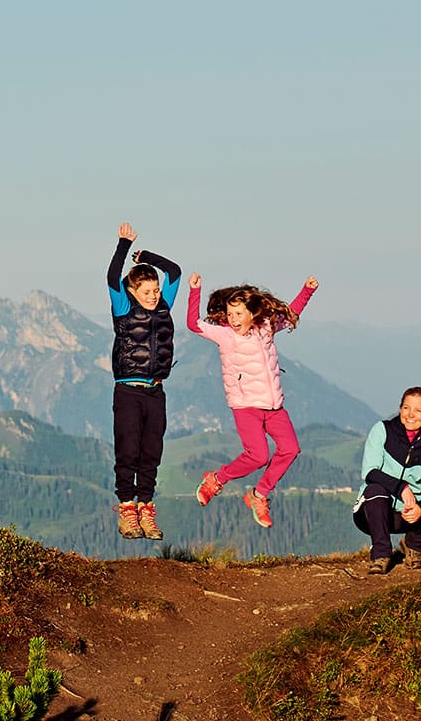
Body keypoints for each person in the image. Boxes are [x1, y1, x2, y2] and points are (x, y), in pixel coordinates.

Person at [187, 272, 318, 528]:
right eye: (230, 313)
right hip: (246, 406)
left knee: (291, 449)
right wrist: (195, 289)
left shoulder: (266, 328)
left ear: (251, 313)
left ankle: (258, 495)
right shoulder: (225, 335)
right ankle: (216, 479)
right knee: (258, 456)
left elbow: (290, 314)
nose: (234, 319)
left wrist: (307, 291)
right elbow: (194, 324)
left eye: (239, 313)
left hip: (274, 406)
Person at [108, 222, 181, 540]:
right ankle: (127, 509)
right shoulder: (123, 308)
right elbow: (112, 277)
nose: (153, 296)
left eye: (155, 290)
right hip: (127, 392)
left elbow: (175, 272)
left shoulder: (164, 305)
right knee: (128, 451)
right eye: (147, 292)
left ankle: (146, 508)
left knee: (152, 451)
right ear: (133, 292)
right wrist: (124, 246)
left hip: (155, 391)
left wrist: (147, 256)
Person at [352, 386, 421, 575]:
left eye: (418, 410)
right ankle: (381, 554)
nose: (410, 415)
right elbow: (369, 472)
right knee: (375, 489)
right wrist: (401, 487)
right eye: (406, 408)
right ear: (400, 409)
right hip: (372, 511)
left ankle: (413, 544)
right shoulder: (383, 430)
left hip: (409, 514)